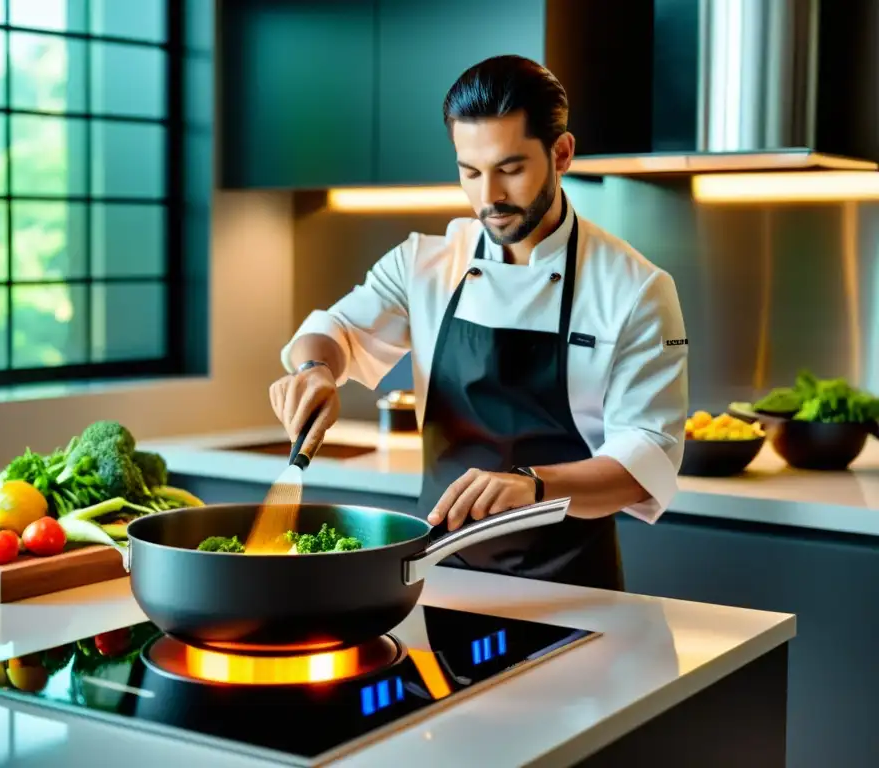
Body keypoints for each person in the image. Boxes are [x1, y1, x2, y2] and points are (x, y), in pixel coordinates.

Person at [269, 55, 689, 590]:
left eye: (510, 169)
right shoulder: (426, 261)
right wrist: (314, 369)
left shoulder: (635, 289)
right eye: (470, 172)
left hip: (569, 588)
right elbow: (336, 330)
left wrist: (533, 487)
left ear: (561, 154)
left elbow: (646, 460)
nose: (488, 196)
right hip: (434, 577)